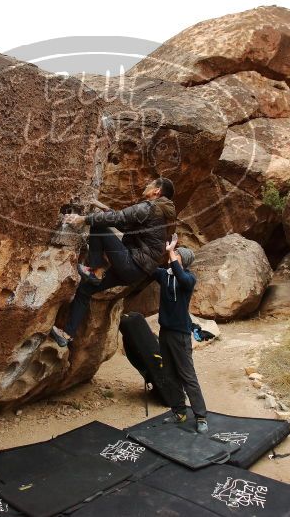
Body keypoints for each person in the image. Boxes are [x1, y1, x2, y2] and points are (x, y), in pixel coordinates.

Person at [49, 178, 176, 347]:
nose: (146, 184)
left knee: (98, 227)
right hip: (135, 272)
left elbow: (119, 218)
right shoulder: (157, 212)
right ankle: (67, 334)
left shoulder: (150, 207)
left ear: (157, 191)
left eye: (151, 184)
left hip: (132, 263)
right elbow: (126, 225)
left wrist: (83, 219)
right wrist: (103, 206)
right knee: (86, 289)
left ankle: (95, 270)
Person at [153, 235, 208, 434]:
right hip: (165, 332)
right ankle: (179, 412)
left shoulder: (188, 279)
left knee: (187, 375)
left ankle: (201, 416)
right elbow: (150, 269)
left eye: (176, 254)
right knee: (168, 374)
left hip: (180, 334)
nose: (172, 255)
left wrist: (171, 252)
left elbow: (181, 277)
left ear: (181, 260)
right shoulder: (164, 275)